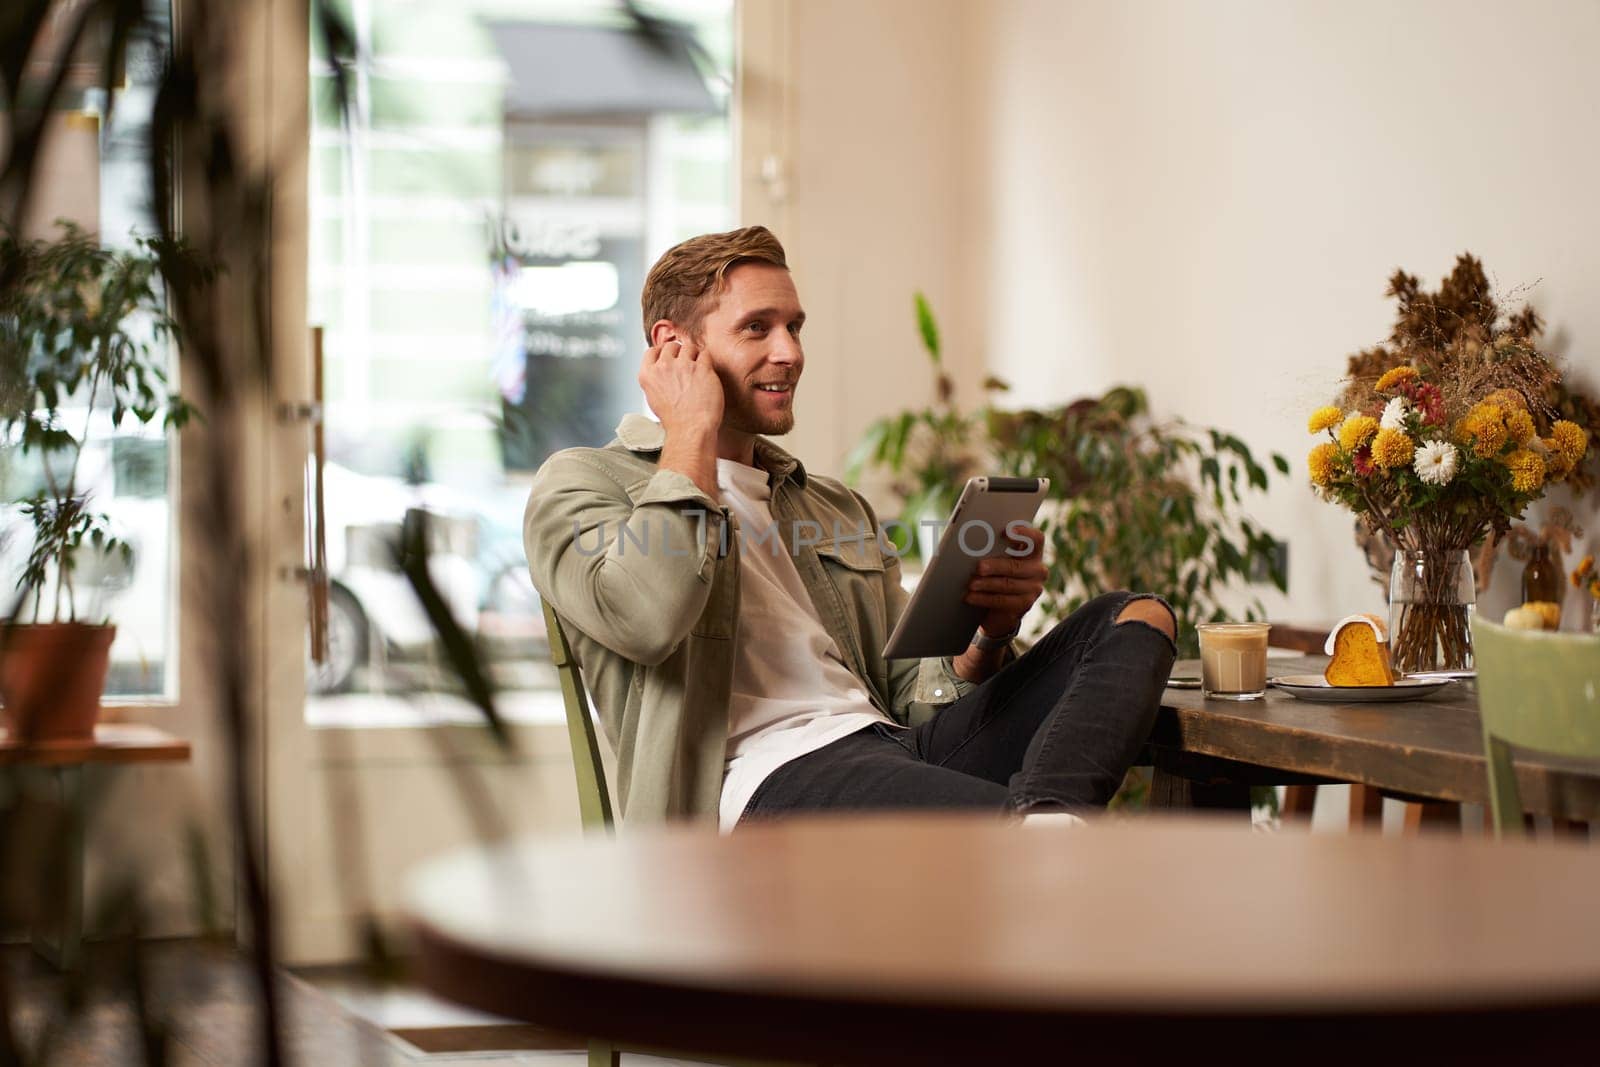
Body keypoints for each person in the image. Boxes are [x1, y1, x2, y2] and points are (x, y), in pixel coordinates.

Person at [523, 226, 1176, 828]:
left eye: (795, 326)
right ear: (674, 348)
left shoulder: (833, 507)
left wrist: (989, 635)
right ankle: (1042, 835)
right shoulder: (583, 484)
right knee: (1015, 835)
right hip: (760, 785)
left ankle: (1050, 825)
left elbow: (912, 699)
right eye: (758, 328)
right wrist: (691, 426)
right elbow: (649, 616)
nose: (790, 352)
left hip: (891, 748)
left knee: (1136, 619)